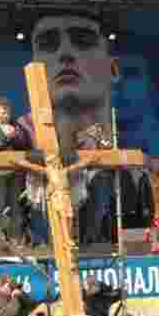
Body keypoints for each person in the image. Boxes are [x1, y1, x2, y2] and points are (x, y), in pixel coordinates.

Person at [14, 13, 134, 247]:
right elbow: (21, 159)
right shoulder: (24, 126)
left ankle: (91, 236)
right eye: (48, 44)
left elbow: (97, 154)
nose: (65, 54)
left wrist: (80, 155)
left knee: (98, 185)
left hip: (80, 186)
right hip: (49, 192)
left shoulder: (102, 133)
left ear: (113, 68)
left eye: (83, 41)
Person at [0, 95, 27, 243]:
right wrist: (7, 137)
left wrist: (16, 136)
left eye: (7, 112)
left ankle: (15, 238)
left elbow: (23, 144)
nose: (6, 115)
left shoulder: (14, 124)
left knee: (15, 204)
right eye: (2, 112)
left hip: (15, 169)